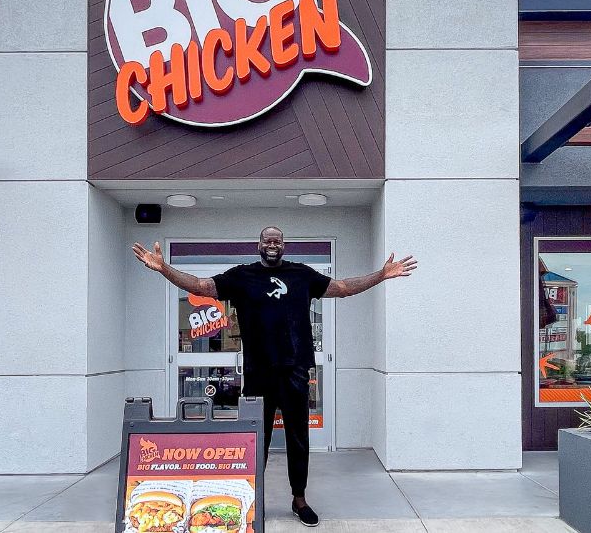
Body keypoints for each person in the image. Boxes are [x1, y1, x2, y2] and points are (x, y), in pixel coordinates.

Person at [132, 226, 417, 528]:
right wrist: (164, 268)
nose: (272, 244)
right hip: (258, 374)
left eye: (277, 240)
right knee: (256, 440)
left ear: (284, 246)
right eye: (267, 240)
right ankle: (251, 497)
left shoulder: (302, 275)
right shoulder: (242, 276)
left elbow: (344, 287)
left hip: (295, 371)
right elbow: (201, 286)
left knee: (298, 439)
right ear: (259, 245)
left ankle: (299, 499)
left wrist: (381, 275)